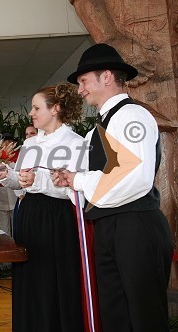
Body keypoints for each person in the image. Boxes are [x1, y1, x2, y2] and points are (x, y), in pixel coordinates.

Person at [53, 43, 173, 332]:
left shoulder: (134, 117)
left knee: (144, 318)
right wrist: (67, 179)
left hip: (136, 227)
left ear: (106, 77)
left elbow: (135, 178)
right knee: (116, 314)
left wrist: (79, 180)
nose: (80, 90)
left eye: (83, 81)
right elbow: (88, 177)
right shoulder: (97, 130)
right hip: (108, 227)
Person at [0, 82, 86, 332]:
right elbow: (22, 183)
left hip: (57, 218)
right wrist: (7, 175)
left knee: (53, 279)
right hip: (30, 215)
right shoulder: (30, 144)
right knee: (31, 278)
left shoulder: (76, 143)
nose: (31, 113)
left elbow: (75, 189)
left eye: (36, 107)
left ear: (55, 109)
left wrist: (39, 180)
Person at [0, 133, 18, 237]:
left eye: (9, 141)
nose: (7, 144)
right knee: (2, 230)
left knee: (17, 228)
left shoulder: (20, 156)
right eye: (4, 141)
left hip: (15, 195)